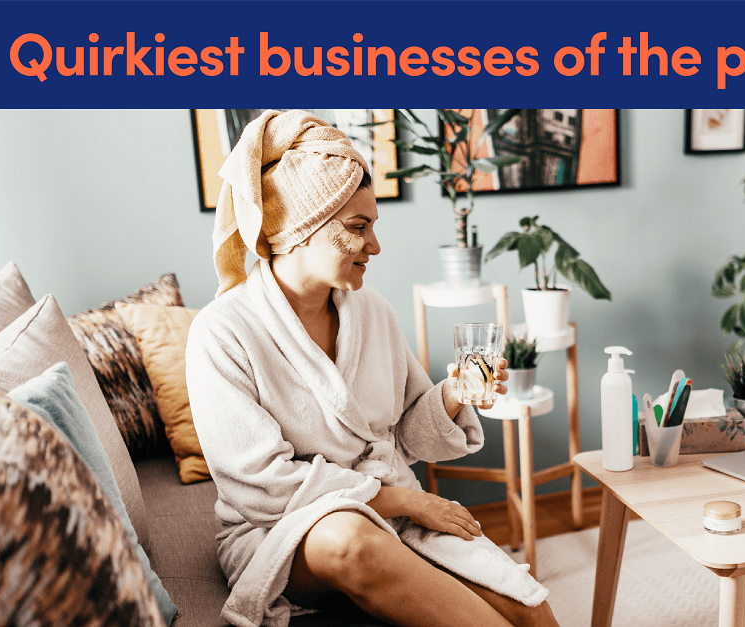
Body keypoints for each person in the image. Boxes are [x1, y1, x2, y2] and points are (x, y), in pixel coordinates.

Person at [186, 110, 558, 627]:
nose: (375, 246)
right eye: (358, 228)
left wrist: (454, 392)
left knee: (529, 607)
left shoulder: (371, 312)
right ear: (300, 230)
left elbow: (405, 434)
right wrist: (407, 501)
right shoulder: (222, 331)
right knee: (352, 539)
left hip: (390, 510)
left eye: (373, 226)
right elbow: (261, 484)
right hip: (281, 530)